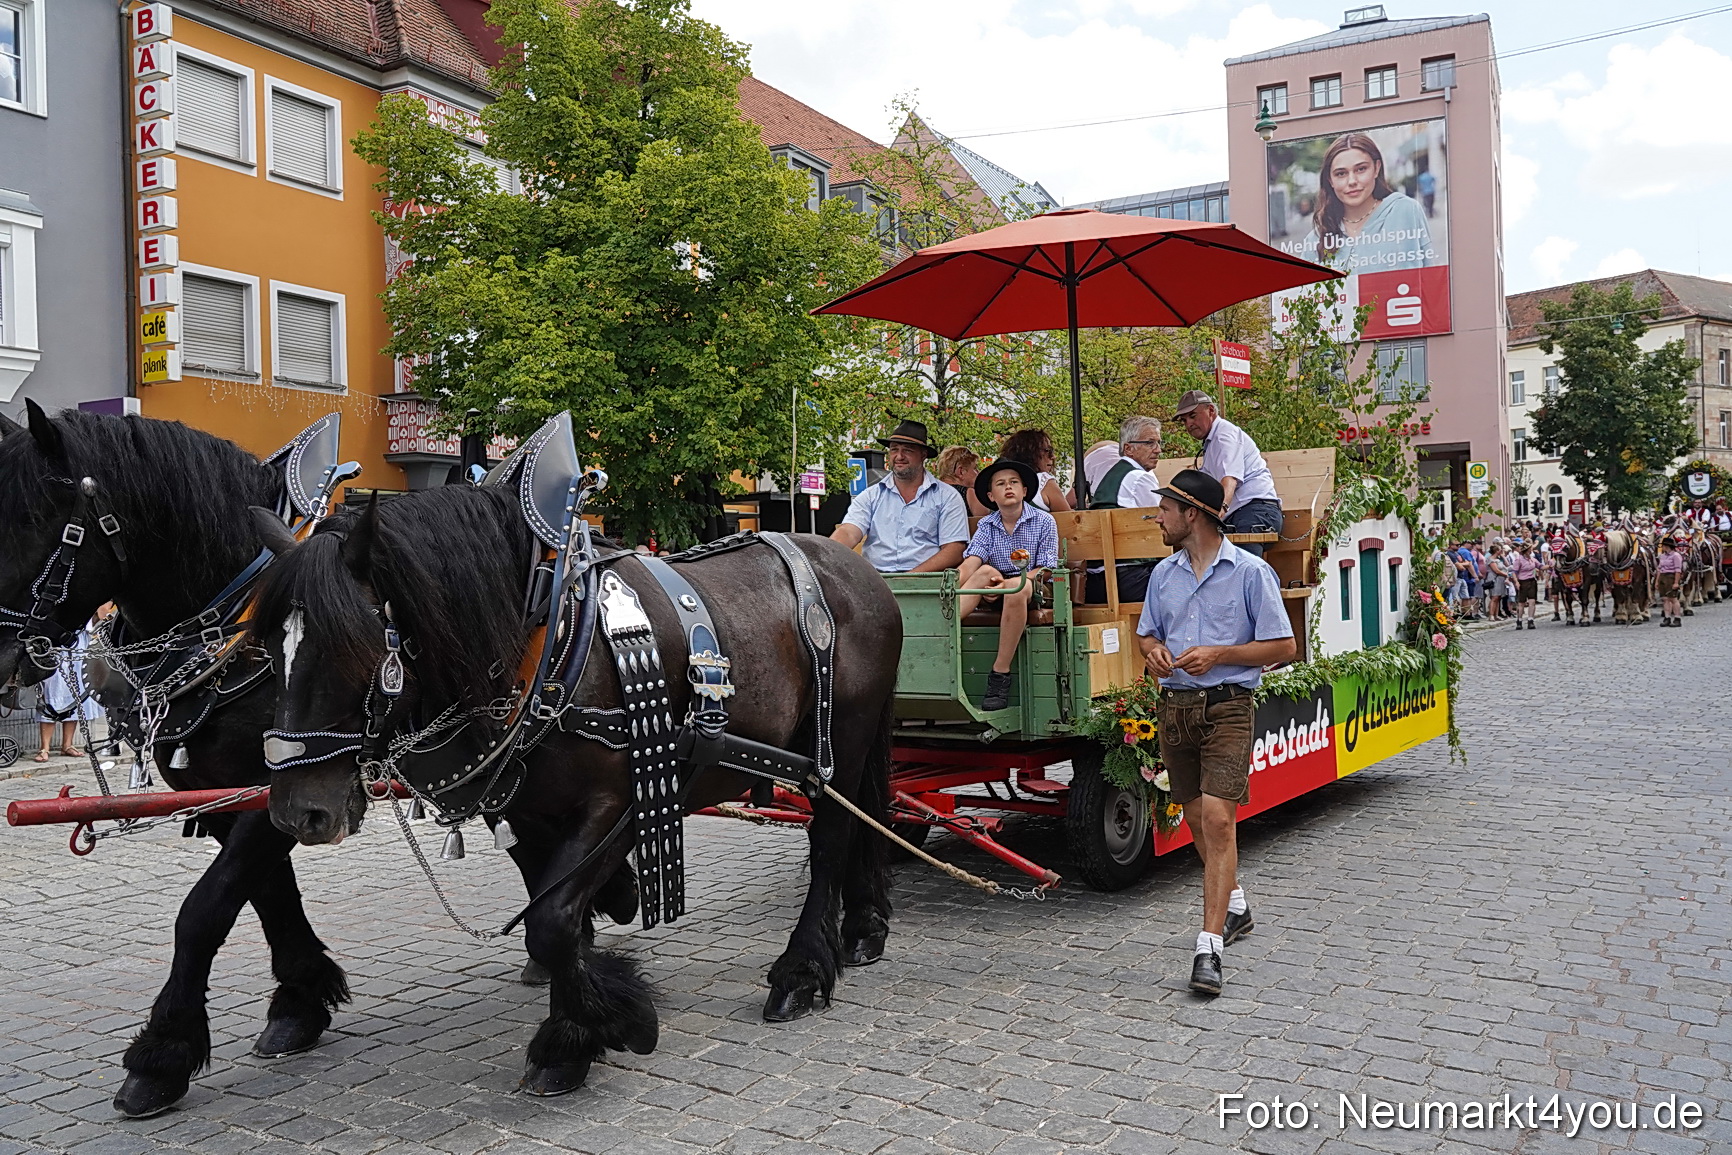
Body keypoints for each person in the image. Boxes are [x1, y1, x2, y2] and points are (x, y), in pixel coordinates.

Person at [1134, 469, 1296, 997]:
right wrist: (1154, 652)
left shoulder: (1251, 572)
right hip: (1175, 708)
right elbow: (1146, 634)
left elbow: (1283, 647)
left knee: (1219, 821)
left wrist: (1220, 654)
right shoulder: (1163, 574)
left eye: (1165, 510)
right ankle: (1237, 905)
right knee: (1196, 817)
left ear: (1193, 514)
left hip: (1229, 706)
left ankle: (1209, 949)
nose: (1157, 518)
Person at [957, 459, 1059, 711]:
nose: (1008, 487)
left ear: (1024, 490)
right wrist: (951, 583)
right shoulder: (987, 524)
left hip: (1034, 584)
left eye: (1014, 482)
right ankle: (938, 633)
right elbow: (972, 561)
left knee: (1016, 588)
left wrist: (1011, 583)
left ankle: (1000, 674)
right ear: (991, 496)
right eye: (1001, 484)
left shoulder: (1044, 521)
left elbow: (1046, 569)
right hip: (997, 583)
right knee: (984, 571)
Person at [832, 419, 968, 573]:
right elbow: (849, 532)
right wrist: (825, 553)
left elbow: (954, 550)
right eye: (894, 449)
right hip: (875, 579)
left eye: (907, 450)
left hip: (926, 581)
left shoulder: (947, 497)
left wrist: (910, 578)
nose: (899, 456)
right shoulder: (870, 496)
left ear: (923, 455)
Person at [1296, 133, 1437, 275]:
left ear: (1376, 168)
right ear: (1330, 180)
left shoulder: (1405, 211)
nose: (1352, 181)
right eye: (1341, 173)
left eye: (1361, 169)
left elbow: (1429, 276)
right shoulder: (1316, 239)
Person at [1172, 391, 1282, 557]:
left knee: (1242, 569)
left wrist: (1218, 513)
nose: (1189, 424)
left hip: (1254, 512)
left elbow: (1229, 480)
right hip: (1244, 513)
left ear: (1211, 410)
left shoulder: (1224, 436)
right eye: (1184, 420)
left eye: (1193, 416)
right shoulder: (1212, 442)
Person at [1081, 416, 1164, 602]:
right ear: (1128, 448)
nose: (1158, 449)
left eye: (1159, 443)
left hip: (1097, 581)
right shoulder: (1139, 478)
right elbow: (1162, 525)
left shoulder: (1112, 477)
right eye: (1150, 443)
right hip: (1129, 579)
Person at [1000, 429, 1072, 514]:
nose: (1053, 456)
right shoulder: (1043, 481)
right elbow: (1069, 518)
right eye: (1048, 451)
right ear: (1030, 453)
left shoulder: (999, 484)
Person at [934, 445, 990, 518]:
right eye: (975, 468)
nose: (978, 472)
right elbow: (987, 520)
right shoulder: (968, 493)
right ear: (961, 472)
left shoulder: (931, 492)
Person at [1508, 541, 1540, 629]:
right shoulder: (1519, 559)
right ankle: (1519, 620)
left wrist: (1550, 565)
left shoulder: (1532, 559)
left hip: (1532, 581)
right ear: (1526, 550)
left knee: (1532, 601)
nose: (1531, 550)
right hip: (1523, 582)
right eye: (1530, 549)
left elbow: (1540, 566)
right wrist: (1516, 582)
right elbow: (1514, 572)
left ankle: (1530, 620)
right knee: (1521, 603)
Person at [1657, 538, 1685, 627]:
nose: (1662, 547)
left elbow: (1678, 570)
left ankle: (1677, 618)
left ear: (1667, 546)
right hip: (1663, 576)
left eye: (1663, 546)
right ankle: (1667, 617)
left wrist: (1676, 582)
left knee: (1673, 599)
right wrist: (1657, 581)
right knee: (1665, 599)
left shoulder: (1676, 556)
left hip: (1671, 576)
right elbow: (1659, 569)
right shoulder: (1662, 556)